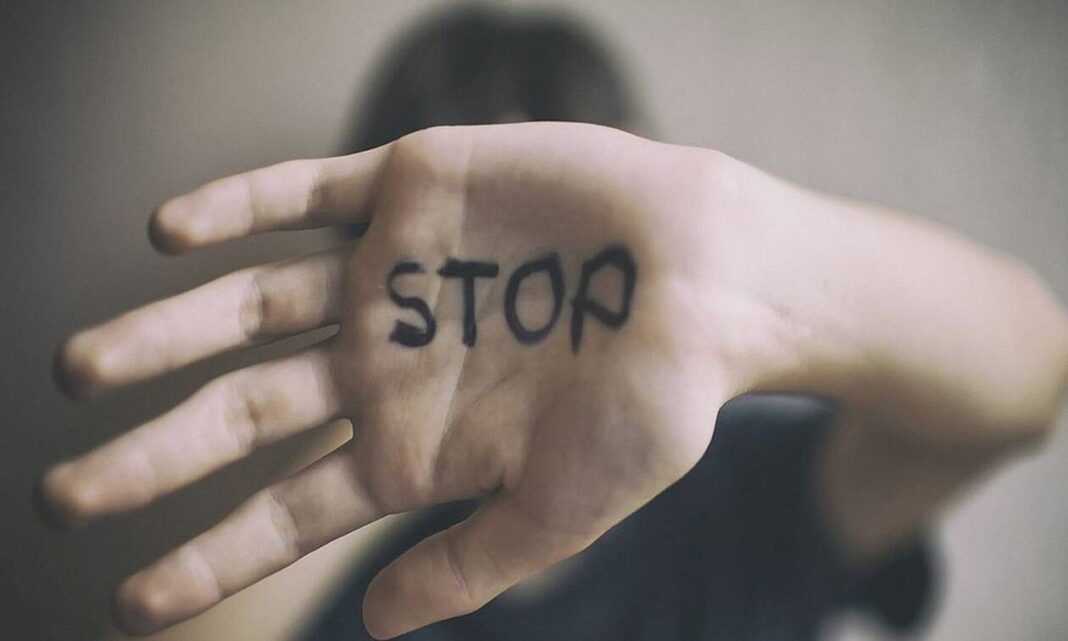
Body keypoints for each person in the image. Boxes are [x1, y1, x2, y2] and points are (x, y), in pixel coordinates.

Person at [37, 6, 1068, 641]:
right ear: (368, 273)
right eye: (454, 260)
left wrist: (743, 259)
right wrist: (363, 419)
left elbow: (1030, 379)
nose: (504, 319)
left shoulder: (750, 492)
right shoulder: (360, 583)